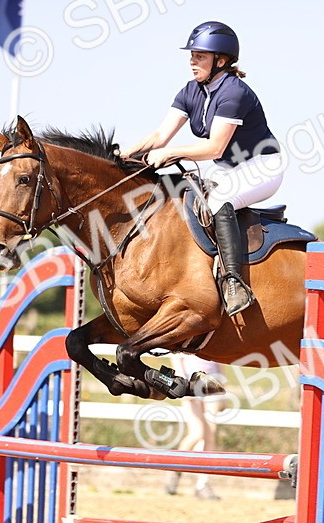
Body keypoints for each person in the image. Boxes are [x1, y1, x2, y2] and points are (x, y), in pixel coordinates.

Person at [121, 21, 283, 316]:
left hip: (262, 166)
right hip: (228, 169)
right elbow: (159, 136)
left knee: (220, 201)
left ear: (220, 61)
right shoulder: (190, 91)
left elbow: (214, 148)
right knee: (183, 199)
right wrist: (126, 153)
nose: (192, 62)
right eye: (192, 55)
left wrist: (170, 153)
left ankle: (234, 283)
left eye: (200, 56)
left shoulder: (234, 93)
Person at [164, 353, 225, 500]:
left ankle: (202, 484)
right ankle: (174, 469)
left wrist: (223, 388)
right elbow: (176, 360)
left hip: (212, 383)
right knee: (197, 433)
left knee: (210, 433)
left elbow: (220, 360)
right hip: (191, 384)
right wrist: (183, 387)